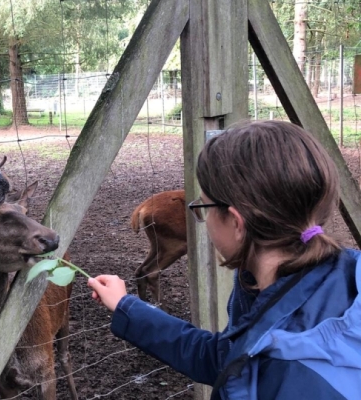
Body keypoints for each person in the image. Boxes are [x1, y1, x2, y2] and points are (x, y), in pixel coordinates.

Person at [88, 120, 361, 399]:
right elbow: (226, 357)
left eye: (203, 206)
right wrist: (127, 308)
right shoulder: (336, 278)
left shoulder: (287, 376)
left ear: (236, 223)